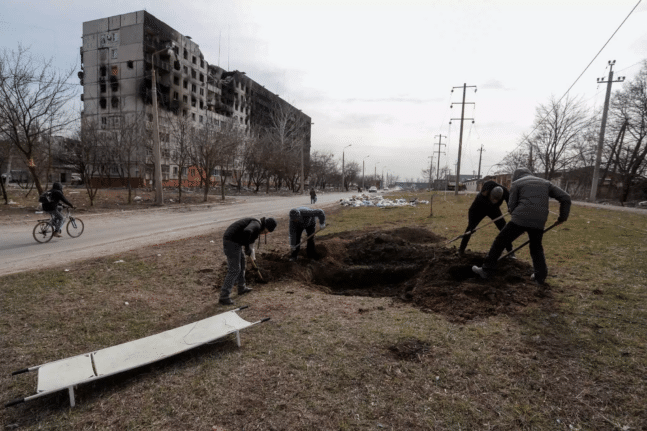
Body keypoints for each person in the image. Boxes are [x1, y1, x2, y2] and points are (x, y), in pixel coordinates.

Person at [472, 168, 571, 286]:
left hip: (520, 218)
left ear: (516, 176)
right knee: (536, 248)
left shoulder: (516, 183)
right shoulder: (546, 183)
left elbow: (511, 206)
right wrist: (562, 217)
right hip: (540, 220)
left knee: (500, 242)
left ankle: (486, 271)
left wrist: (515, 214)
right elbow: (566, 197)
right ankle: (540, 278)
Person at [219, 216, 277, 306]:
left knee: (242, 264)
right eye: (265, 232)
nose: (264, 234)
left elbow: (251, 245)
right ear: (265, 226)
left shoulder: (257, 228)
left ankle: (241, 288)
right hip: (231, 241)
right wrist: (246, 247)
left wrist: (252, 256)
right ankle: (224, 297)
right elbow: (247, 231)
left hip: (236, 242)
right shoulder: (256, 224)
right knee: (234, 270)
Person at [458, 181, 514, 257]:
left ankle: (511, 252)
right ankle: (461, 250)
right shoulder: (484, 191)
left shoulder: (505, 192)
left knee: (504, 228)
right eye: (492, 198)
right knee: (469, 229)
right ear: (489, 193)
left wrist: (511, 209)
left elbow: (510, 204)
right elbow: (472, 210)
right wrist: (471, 225)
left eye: (496, 200)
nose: (493, 201)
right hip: (480, 208)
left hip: (494, 210)